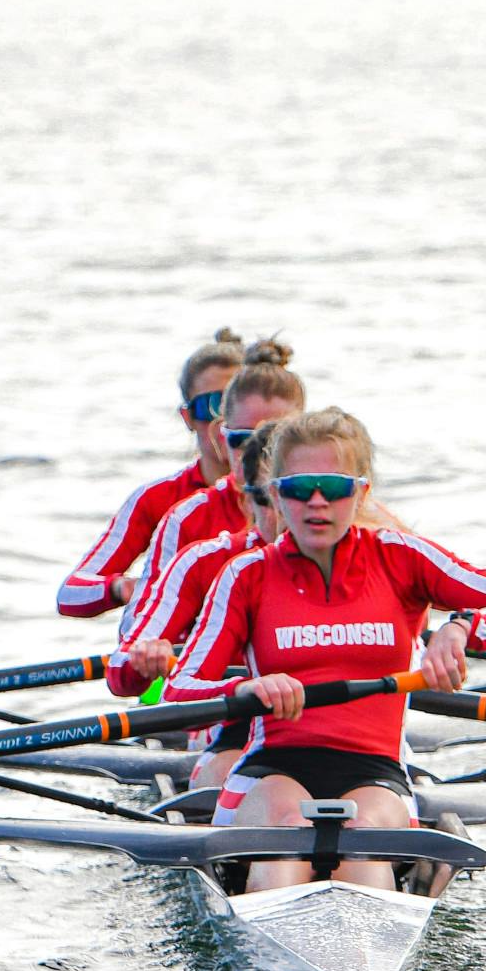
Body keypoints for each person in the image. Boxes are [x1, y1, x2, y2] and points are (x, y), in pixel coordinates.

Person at [162, 407, 486, 892]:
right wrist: (247, 686)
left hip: (376, 770)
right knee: (287, 833)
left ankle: (356, 951)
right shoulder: (246, 575)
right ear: (273, 494)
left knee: (362, 845)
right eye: (297, 488)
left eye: (332, 488)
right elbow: (180, 690)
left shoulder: (401, 557)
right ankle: (278, 946)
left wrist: (460, 629)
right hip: (272, 770)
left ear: (361, 492)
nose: (316, 503)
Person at [107, 421, 287, 790]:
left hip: (355, 748)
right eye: (271, 499)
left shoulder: (386, 555)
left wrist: (444, 627)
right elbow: (125, 669)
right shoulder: (220, 564)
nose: (288, 515)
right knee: (232, 776)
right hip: (239, 727)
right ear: (247, 498)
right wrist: (142, 659)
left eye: (315, 493)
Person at [55, 329, 244, 618]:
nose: (224, 422)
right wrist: (122, 588)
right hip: (171, 652)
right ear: (188, 418)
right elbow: (72, 592)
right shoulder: (158, 499)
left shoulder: (294, 495)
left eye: (235, 405)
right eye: (212, 405)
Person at [127, 338, 305, 618]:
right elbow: (134, 631)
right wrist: (122, 590)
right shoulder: (185, 519)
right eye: (243, 439)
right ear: (223, 435)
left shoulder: (341, 510)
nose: (258, 453)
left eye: (275, 438)